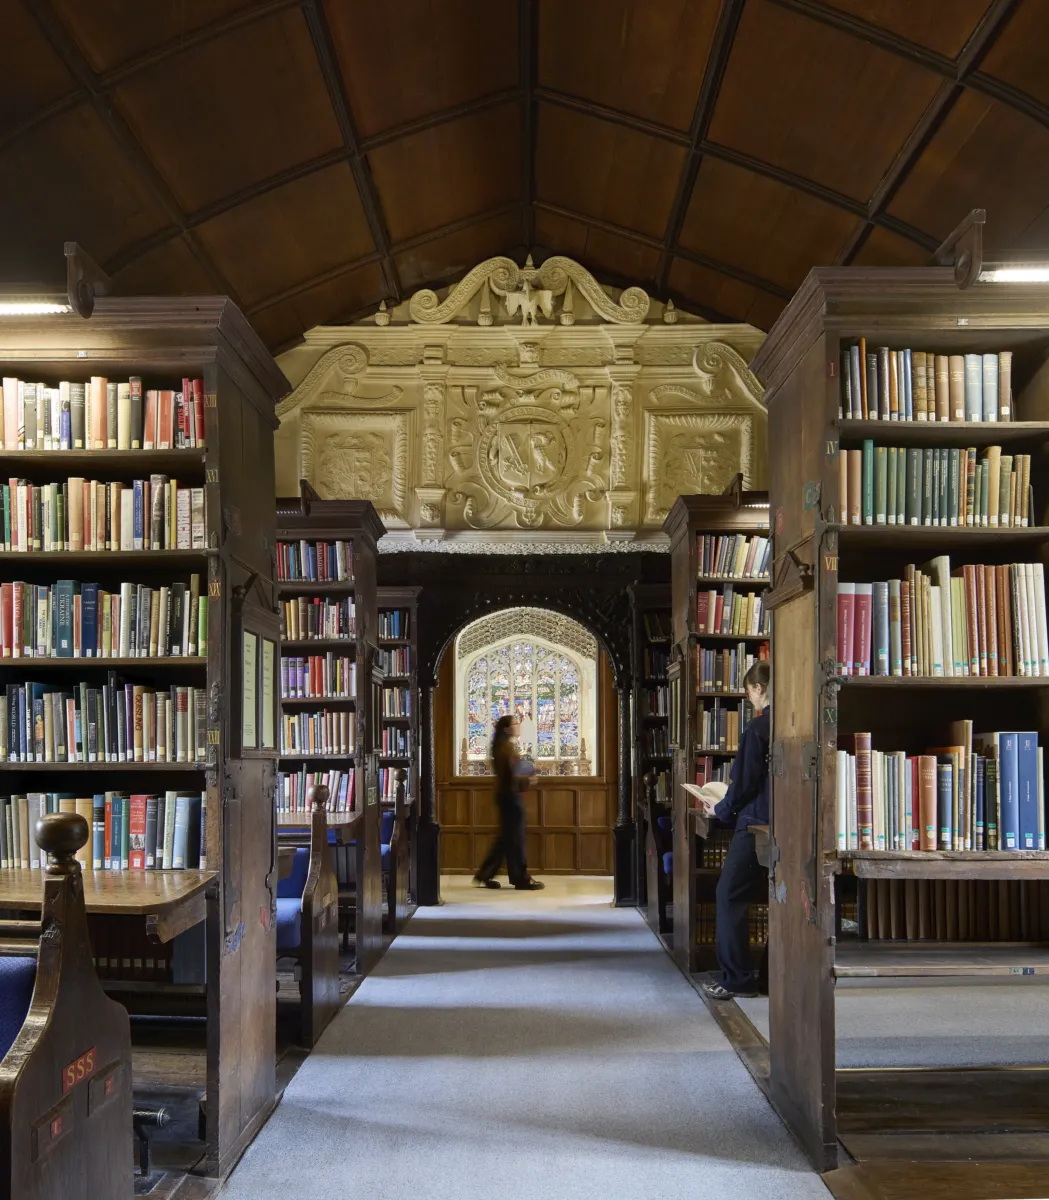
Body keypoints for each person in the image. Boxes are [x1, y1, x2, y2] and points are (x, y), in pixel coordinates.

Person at [699, 659, 771, 1000]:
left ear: (758, 688)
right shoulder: (794, 722)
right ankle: (770, 977)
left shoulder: (757, 729)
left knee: (728, 895)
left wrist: (720, 808)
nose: (750, 700)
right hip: (787, 824)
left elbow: (744, 785)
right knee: (781, 899)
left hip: (755, 823)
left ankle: (737, 978)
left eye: (749, 693)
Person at [473, 714, 544, 891]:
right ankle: (521, 879)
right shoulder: (504, 748)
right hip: (510, 797)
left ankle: (485, 874)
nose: (519, 725)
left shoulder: (504, 746)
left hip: (507, 796)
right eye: (515, 723)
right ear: (506, 729)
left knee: (506, 839)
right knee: (516, 838)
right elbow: (510, 777)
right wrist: (529, 780)